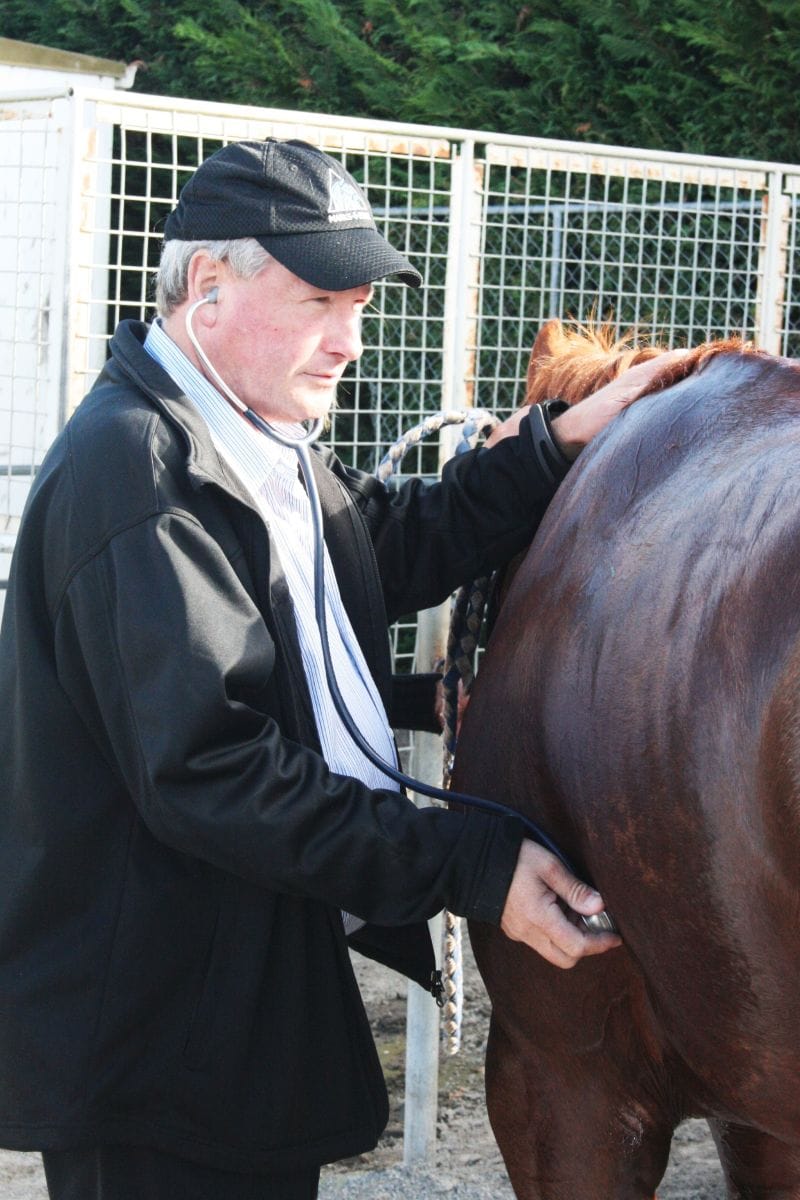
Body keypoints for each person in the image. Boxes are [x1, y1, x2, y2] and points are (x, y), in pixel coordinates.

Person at [0, 138, 677, 1200]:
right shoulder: (139, 473)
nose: (347, 341)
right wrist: (472, 865)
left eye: (357, 306)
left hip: (219, 1012)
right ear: (208, 287)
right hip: (158, 1046)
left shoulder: (239, 430)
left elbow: (368, 547)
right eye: (321, 301)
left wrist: (549, 448)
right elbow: (212, 769)